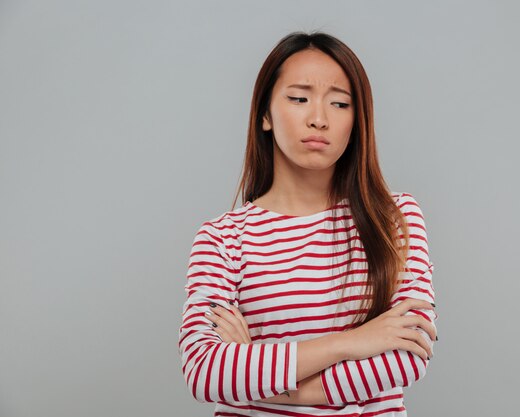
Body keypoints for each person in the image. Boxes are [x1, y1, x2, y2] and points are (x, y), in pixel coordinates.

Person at [178, 30, 438, 417]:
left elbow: (406, 357)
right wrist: (354, 342)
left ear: (356, 121)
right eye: (299, 99)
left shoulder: (394, 218)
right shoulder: (223, 238)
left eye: (339, 103)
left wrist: (254, 369)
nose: (319, 119)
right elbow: (203, 371)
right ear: (265, 114)